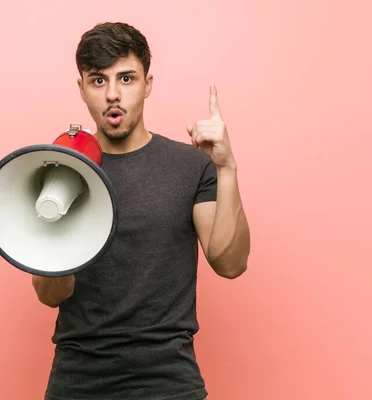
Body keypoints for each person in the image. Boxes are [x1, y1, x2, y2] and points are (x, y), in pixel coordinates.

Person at [32, 21, 251, 400]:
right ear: (82, 88)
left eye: (127, 78)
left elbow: (229, 264)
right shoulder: (60, 170)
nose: (113, 95)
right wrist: (58, 212)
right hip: (78, 381)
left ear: (148, 84)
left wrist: (227, 168)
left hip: (169, 381)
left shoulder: (189, 166)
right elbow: (51, 295)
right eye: (99, 81)